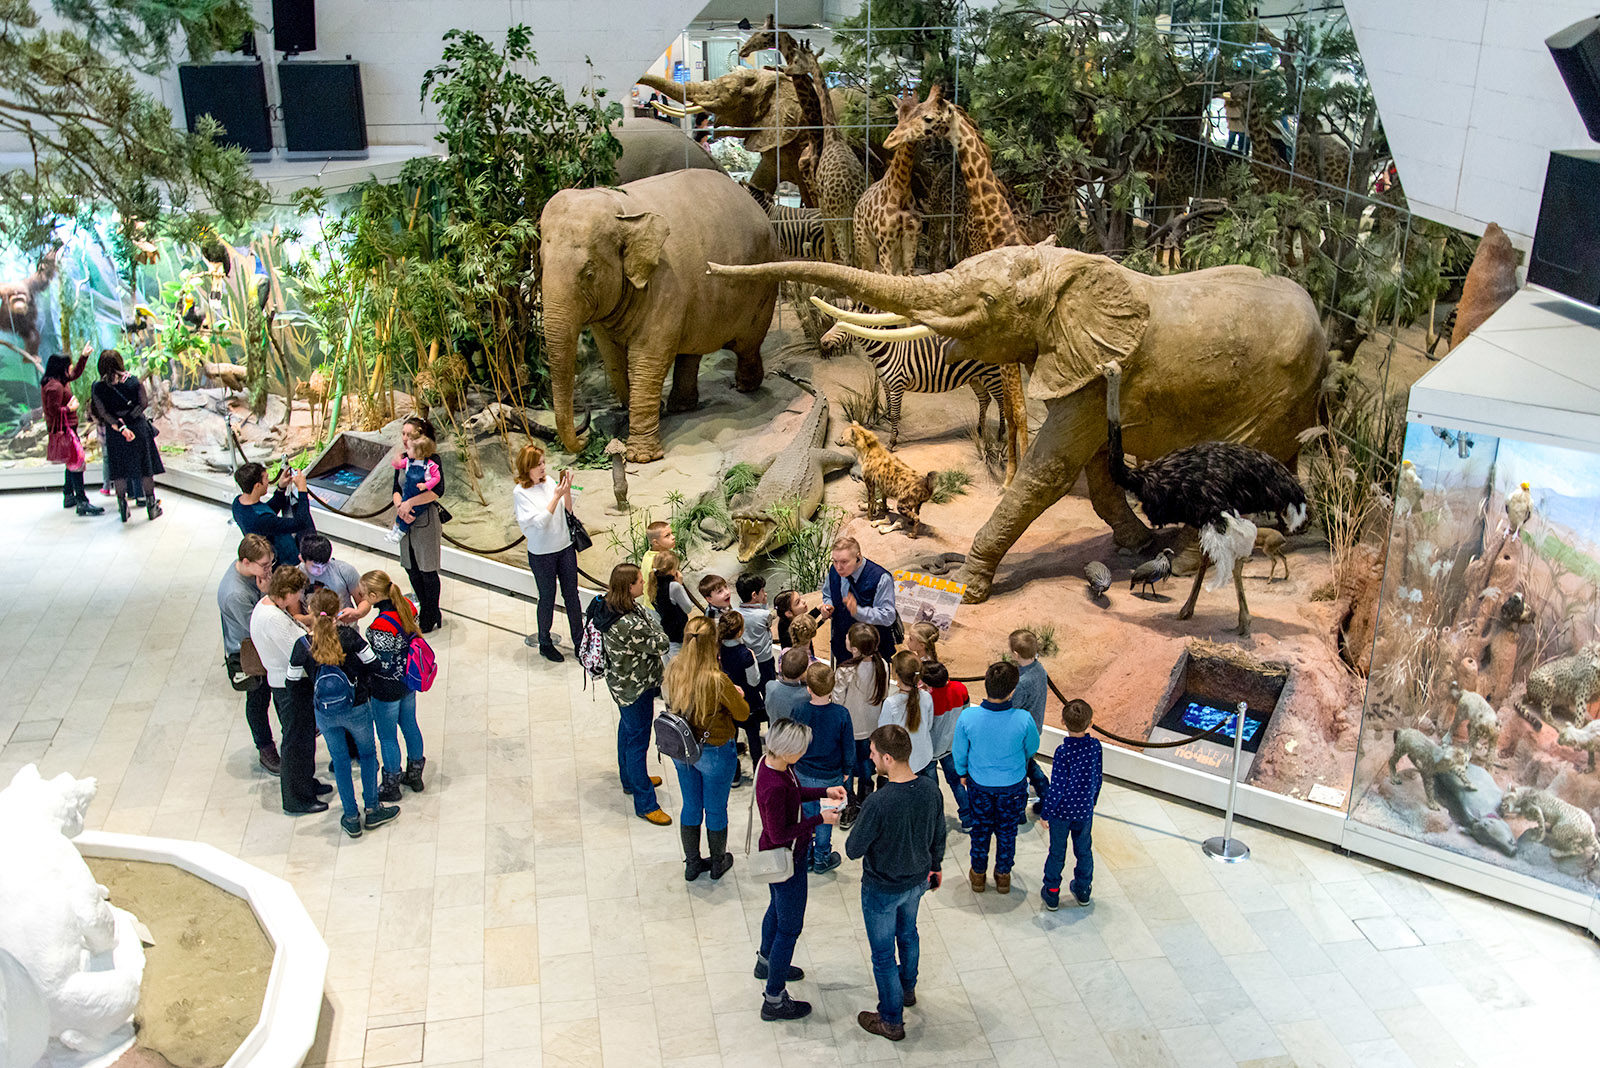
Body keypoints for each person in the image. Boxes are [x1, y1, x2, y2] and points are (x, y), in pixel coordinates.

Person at [846, 724, 945, 1042]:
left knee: (883, 955)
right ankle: (908, 989)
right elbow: (938, 832)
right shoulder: (930, 788)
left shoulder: (879, 802)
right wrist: (936, 865)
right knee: (909, 934)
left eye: (873, 752)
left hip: (882, 889)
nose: (870, 755)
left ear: (888, 758)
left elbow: (852, 849)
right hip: (917, 881)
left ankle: (890, 1020)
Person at [753, 718, 845, 1022]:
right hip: (787, 861)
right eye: (802, 748)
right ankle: (774, 999)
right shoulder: (775, 787)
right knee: (789, 929)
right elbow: (782, 833)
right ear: (789, 751)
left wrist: (822, 792)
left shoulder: (770, 764)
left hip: (773, 857)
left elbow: (793, 792)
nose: (805, 752)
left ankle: (766, 962)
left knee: (776, 911)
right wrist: (821, 820)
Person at [288, 588, 397, 838]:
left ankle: (350, 817)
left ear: (311, 613)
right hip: (356, 707)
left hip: (325, 714)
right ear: (338, 611)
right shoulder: (348, 637)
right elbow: (373, 664)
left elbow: (292, 682)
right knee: (368, 755)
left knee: (341, 762)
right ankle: (372, 809)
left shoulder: (303, 645)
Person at [664, 616, 749, 881]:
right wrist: (739, 694)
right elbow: (743, 714)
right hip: (714, 750)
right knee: (715, 808)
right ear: (713, 644)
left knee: (690, 805)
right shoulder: (717, 680)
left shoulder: (674, 668)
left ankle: (691, 863)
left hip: (681, 748)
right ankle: (717, 861)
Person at [589, 562, 672, 826]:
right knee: (638, 742)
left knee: (627, 731)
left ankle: (629, 779)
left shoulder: (609, 604)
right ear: (629, 587)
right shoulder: (626, 622)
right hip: (635, 687)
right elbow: (661, 641)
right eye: (639, 580)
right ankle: (645, 803)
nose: (643, 583)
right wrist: (656, 627)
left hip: (622, 683)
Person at [951, 661, 1039, 894]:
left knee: (980, 830)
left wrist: (961, 772)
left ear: (986, 684)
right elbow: (1032, 747)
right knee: (1008, 831)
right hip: (1012, 786)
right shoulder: (1023, 719)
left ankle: (978, 875)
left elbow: (959, 751)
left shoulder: (968, 717)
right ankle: (1003, 876)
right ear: (1012, 690)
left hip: (979, 785)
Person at [250, 566, 329, 814]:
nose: (300, 599)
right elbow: (301, 652)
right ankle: (297, 798)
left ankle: (306, 783)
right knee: (296, 742)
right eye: (298, 594)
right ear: (286, 593)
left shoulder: (268, 606)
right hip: (290, 686)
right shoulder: (273, 619)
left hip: (287, 682)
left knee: (304, 738)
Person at [512, 442, 582, 661]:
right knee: (547, 597)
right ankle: (545, 641)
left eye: (543, 463)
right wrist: (555, 496)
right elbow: (541, 522)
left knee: (572, 595)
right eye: (537, 464)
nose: (543, 468)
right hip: (542, 554)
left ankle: (580, 642)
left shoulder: (550, 481)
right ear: (527, 467)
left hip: (564, 547)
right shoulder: (521, 493)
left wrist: (566, 492)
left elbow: (566, 511)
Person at [361, 570, 428, 798]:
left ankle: (391, 784)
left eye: (363, 595)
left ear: (373, 595)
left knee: (388, 737)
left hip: (386, 689)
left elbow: (380, 662)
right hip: (408, 681)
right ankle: (415, 775)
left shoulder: (382, 625)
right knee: (410, 726)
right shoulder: (407, 606)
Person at [218, 534, 278, 773]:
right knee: (258, 699)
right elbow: (257, 625)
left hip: (258, 644)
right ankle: (265, 748)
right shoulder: (236, 594)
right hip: (248, 653)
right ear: (245, 561)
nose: (268, 570)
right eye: (264, 566)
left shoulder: (250, 574)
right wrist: (266, 595)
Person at [1040, 698, 1103, 910]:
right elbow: (1097, 776)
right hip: (1084, 810)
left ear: (1062, 722)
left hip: (1061, 813)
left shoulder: (1063, 752)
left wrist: (1046, 812)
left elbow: (1057, 787)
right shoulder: (1095, 746)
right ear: (1090, 723)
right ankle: (1083, 888)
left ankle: (1052, 892)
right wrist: (1092, 801)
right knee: (1084, 849)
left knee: (1057, 852)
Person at [89, 349, 163, 522]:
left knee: (119, 471)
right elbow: (143, 403)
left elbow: (103, 412)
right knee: (145, 468)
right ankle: (152, 507)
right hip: (137, 428)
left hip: (116, 433)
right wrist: (129, 420)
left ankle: (123, 507)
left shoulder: (98, 386)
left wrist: (120, 426)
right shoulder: (132, 381)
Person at [393, 415, 445, 633]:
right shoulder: (403, 459)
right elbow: (395, 488)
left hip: (425, 520)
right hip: (404, 519)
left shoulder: (433, 460)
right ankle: (429, 610)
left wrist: (411, 503)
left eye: (409, 434)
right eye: (403, 434)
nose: (405, 438)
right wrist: (400, 507)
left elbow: (438, 491)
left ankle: (430, 615)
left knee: (427, 570)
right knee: (411, 568)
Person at [41, 344, 103, 516]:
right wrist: (70, 408)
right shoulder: (55, 387)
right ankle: (82, 501)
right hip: (65, 429)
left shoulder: (58, 380)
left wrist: (84, 356)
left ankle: (68, 495)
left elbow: (74, 374)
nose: (70, 368)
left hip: (68, 428)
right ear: (61, 368)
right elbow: (52, 411)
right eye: (68, 365)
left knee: (71, 461)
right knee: (76, 463)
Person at [819, 536, 898, 664]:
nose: (838, 567)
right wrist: (828, 606)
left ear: (858, 557)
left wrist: (858, 612)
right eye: (835, 561)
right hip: (841, 646)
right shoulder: (834, 570)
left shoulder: (881, 578)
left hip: (871, 654)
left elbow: (888, 616)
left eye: (844, 562)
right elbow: (827, 594)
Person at [837, 623, 888, 804]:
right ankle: (865, 797)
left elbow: (837, 701)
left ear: (854, 648)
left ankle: (849, 801)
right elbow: (884, 695)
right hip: (872, 726)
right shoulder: (882, 664)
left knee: (848, 765)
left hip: (849, 728)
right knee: (867, 761)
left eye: (847, 637)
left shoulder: (845, 670)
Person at [232, 461, 315, 566]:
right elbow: (301, 522)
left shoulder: (238, 503)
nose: (269, 481)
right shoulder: (261, 520)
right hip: (285, 562)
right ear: (257, 485)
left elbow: (268, 509)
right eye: (266, 478)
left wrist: (281, 488)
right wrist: (302, 490)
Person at [923, 661, 972, 832]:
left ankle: (936, 824)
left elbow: (925, 726)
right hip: (952, 747)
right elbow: (966, 712)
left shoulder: (928, 699)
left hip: (930, 751)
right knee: (957, 783)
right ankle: (968, 819)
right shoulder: (961, 689)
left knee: (932, 790)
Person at [717, 610, 765, 786]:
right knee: (753, 739)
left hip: (729, 702)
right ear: (739, 632)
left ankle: (734, 775)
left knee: (732, 738)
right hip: (749, 702)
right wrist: (754, 659)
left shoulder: (719, 650)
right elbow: (754, 681)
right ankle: (758, 773)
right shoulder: (745, 654)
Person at [1009, 629, 1052, 813]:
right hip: (1034, 728)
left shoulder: (1023, 682)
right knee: (1028, 763)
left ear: (1016, 654)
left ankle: (1021, 808)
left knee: (1022, 769)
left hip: (1022, 733)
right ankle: (1046, 793)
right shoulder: (1040, 669)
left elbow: (1014, 709)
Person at [878, 651, 933, 776]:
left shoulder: (891, 703)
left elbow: (883, 734)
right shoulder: (926, 697)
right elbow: (929, 726)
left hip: (902, 764)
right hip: (923, 757)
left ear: (897, 675)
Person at [387, 432, 441, 543]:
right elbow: (398, 465)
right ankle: (395, 529)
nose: (407, 451)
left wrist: (426, 485)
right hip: (408, 493)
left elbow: (437, 478)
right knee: (401, 514)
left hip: (419, 498)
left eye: (410, 449)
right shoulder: (408, 461)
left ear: (418, 451)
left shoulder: (430, 465)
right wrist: (396, 460)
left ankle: (401, 532)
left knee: (411, 515)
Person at [647, 549, 694, 661]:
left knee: (669, 670)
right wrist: (680, 584)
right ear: (673, 570)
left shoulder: (653, 584)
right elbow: (688, 608)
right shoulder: (674, 587)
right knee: (680, 671)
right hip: (677, 635)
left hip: (665, 633)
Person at [297, 533, 362, 611]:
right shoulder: (294, 576)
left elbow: (364, 601)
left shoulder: (345, 570)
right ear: (302, 559)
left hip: (343, 621)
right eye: (315, 566)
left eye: (325, 565)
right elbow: (295, 614)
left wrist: (358, 613)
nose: (320, 570)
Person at [736, 573, 778, 689]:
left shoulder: (735, 613)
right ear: (754, 595)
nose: (764, 593)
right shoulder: (764, 615)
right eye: (762, 591)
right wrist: (764, 604)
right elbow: (768, 623)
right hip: (764, 659)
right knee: (768, 687)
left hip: (747, 658)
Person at [763, 646, 811, 723]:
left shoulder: (770, 686)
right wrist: (805, 682)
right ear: (803, 673)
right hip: (794, 733)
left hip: (775, 731)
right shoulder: (806, 695)